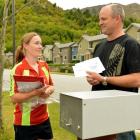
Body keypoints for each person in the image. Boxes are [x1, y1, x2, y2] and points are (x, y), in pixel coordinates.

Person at [85, 3, 140, 140]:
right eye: (99, 19)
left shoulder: (131, 44)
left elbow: (137, 79)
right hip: (97, 113)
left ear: (117, 19)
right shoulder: (99, 46)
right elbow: (97, 76)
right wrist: (92, 79)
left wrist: (104, 79)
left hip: (120, 117)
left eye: (104, 19)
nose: (100, 23)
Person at [10, 32, 54, 140]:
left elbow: (52, 86)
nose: (41, 46)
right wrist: (35, 93)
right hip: (25, 124)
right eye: (37, 43)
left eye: (41, 43)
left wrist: (47, 91)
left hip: (44, 120)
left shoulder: (44, 65)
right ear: (26, 46)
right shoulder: (18, 69)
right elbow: (13, 98)